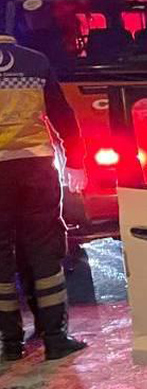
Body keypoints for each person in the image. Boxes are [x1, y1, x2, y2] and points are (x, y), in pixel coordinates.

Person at [0, 33, 89, 362]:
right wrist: (76, 162)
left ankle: (10, 343)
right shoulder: (34, 61)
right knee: (44, 251)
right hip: (35, 168)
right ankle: (54, 337)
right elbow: (62, 115)